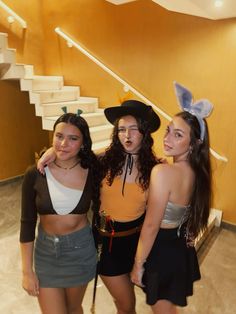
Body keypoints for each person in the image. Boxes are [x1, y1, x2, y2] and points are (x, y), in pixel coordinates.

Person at [38, 100, 161, 314]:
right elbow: (73, 153)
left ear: (144, 131)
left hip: (140, 243)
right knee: (125, 304)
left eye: (133, 129)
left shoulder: (157, 169)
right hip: (107, 244)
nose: (127, 136)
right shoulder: (104, 160)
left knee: (156, 303)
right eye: (121, 129)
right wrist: (51, 151)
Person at [130, 82, 213, 314]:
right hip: (178, 247)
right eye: (168, 130)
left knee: (163, 309)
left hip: (161, 251)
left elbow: (150, 225)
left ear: (194, 144)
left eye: (178, 135)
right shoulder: (197, 173)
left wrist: (138, 264)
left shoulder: (164, 172)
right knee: (169, 307)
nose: (167, 139)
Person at [20, 111, 99, 314]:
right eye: (59, 136)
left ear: (83, 143)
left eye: (73, 138)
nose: (63, 143)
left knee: (74, 309)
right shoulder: (35, 173)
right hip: (46, 253)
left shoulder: (93, 170)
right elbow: (27, 223)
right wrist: (27, 271)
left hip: (80, 251)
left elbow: (119, 150)